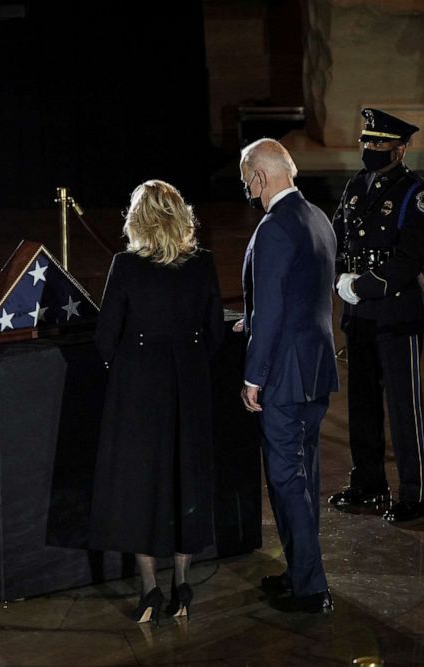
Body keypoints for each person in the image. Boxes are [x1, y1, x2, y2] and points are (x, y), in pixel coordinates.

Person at [89, 179, 224, 623]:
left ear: (138, 219)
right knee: (186, 479)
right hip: (189, 384)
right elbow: (215, 332)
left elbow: (106, 336)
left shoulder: (125, 266)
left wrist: (130, 368)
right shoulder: (202, 264)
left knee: (142, 486)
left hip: (139, 388)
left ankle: (149, 591)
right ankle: (181, 585)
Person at [238, 139, 339, 614]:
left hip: (283, 375)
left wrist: (254, 375)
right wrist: (253, 319)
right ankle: (301, 574)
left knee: (285, 480)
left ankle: (311, 588)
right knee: (305, 477)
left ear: (260, 176)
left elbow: (275, 306)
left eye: (247, 184)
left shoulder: (275, 227)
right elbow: (301, 295)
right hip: (316, 369)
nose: (249, 194)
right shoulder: (318, 217)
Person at [328, 108, 424, 524]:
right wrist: (340, 276)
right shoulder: (356, 186)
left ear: (400, 148)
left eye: (379, 143)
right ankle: (369, 483)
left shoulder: (418, 194)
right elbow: (337, 237)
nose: (371, 149)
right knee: (361, 404)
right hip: (359, 315)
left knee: (403, 407)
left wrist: (362, 285)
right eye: (367, 142)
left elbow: (410, 260)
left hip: (396, 312)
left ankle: (416, 494)